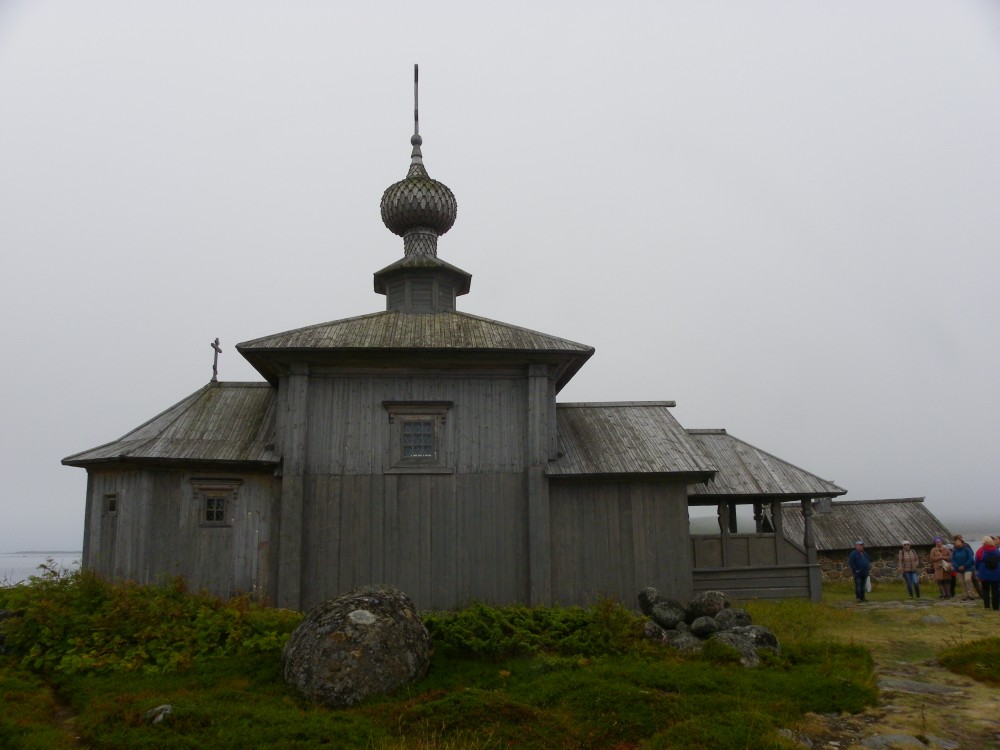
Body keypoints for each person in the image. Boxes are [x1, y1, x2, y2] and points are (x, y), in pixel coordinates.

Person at [975, 535, 1000, 611]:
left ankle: (987, 606)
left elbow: (976, 561)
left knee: (985, 590)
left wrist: (978, 569)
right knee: (995, 591)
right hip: (996, 573)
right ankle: (996, 607)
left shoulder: (980, 550)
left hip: (984, 573)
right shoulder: (996, 551)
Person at [950, 535, 975, 600]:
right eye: (956, 541)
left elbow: (970, 558)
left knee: (967, 579)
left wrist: (964, 565)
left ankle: (971, 594)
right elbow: (953, 559)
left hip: (967, 568)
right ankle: (965, 594)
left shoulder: (967, 549)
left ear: (962, 542)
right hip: (958, 569)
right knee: (962, 582)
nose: (957, 543)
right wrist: (957, 566)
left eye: (958, 541)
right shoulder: (955, 551)